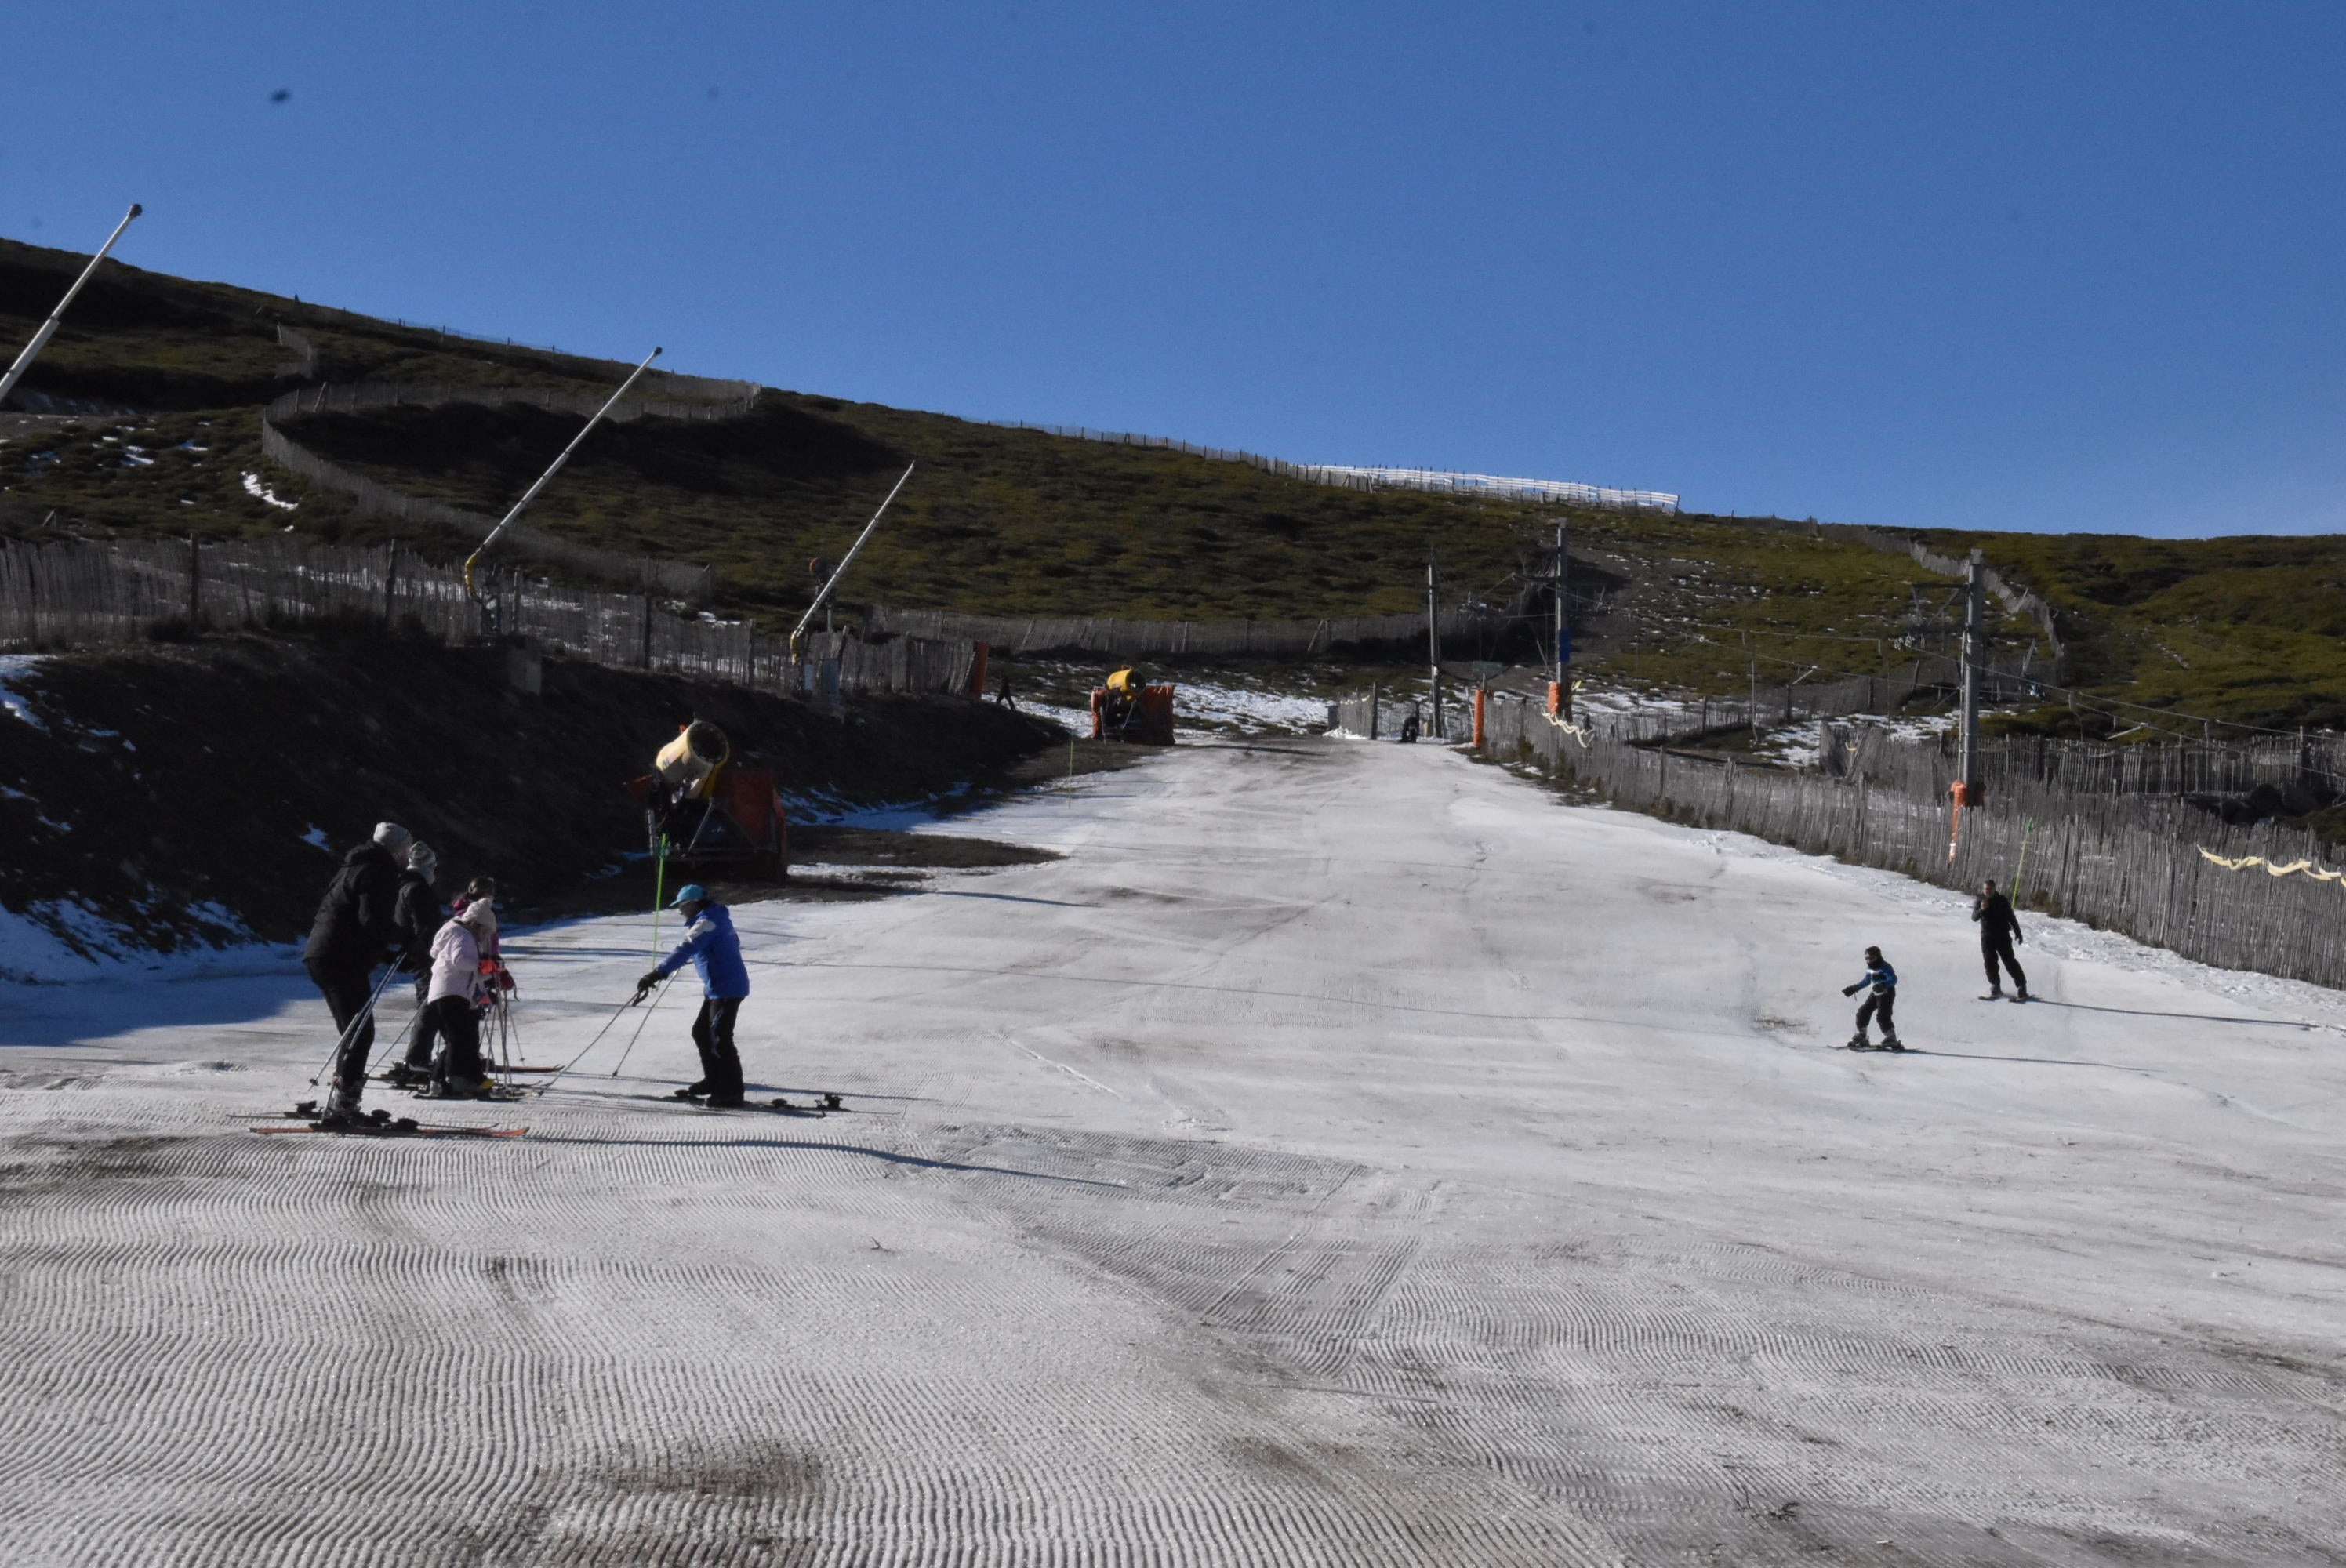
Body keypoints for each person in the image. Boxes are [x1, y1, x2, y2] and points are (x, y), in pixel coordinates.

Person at [302, 822, 410, 1124]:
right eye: (405, 850)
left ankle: (341, 1101)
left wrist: (386, 953)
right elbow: (371, 920)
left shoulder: (354, 866)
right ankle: (343, 1106)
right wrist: (404, 938)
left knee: (354, 1031)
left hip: (324, 953)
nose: (407, 857)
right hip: (339, 958)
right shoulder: (379, 870)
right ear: (396, 849)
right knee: (360, 1032)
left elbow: (354, 918)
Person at [637, 884, 749, 1108]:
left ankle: (732, 1092)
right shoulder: (715, 918)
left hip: (726, 988)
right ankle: (715, 1080)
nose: (680, 911)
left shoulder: (706, 922)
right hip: (718, 987)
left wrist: (658, 973)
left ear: (693, 904)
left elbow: (685, 948)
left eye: (682, 906)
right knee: (701, 1032)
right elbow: (728, 943)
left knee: (720, 1039)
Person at [421, 900, 498, 1098]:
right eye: (485, 930)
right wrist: (486, 965)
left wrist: (491, 972)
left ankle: (440, 1081)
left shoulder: (463, 934)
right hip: (450, 993)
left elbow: (469, 971)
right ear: (477, 923)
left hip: (455, 992)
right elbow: (461, 961)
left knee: (457, 1038)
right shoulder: (462, 936)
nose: (485, 936)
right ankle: (454, 1079)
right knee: (457, 1038)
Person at [387, 841, 442, 1087]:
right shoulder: (418, 889)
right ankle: (417, 1058)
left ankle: (427, 1056)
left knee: (431, 1005)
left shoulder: (402, 886)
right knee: (430, 1006)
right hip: (426, 957)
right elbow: (425, 927)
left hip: (416, 954)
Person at [1973, 879, 2030, 1000]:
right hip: (1987, 937)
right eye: (1985, 889)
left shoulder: (2002, 901)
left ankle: (2022, 987)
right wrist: (1981, 910)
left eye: (1989, 889)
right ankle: (1995, 987)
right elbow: (1974, 918)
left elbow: (2011, 917)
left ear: (1994, 889)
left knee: (2009, 962)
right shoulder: (1980, 900)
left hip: (2002, 936)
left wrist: (2018, 932)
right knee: (1990, 962)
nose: (1986, 892)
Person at [1840, 946, 1903, 1051]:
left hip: (1886, 994)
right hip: (1875, 993)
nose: (1868, 960)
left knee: (1883, 1016)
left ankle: (1891, 1038)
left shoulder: (1885, 967)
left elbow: (1893, 979)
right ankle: (1862, 1035)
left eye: (1871, 958)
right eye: (1866, 958)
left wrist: (1883, 985)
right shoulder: (1870, 968)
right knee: (1863, 1012)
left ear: (1877, 957)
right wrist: (1855, 988)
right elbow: (1867, 980)